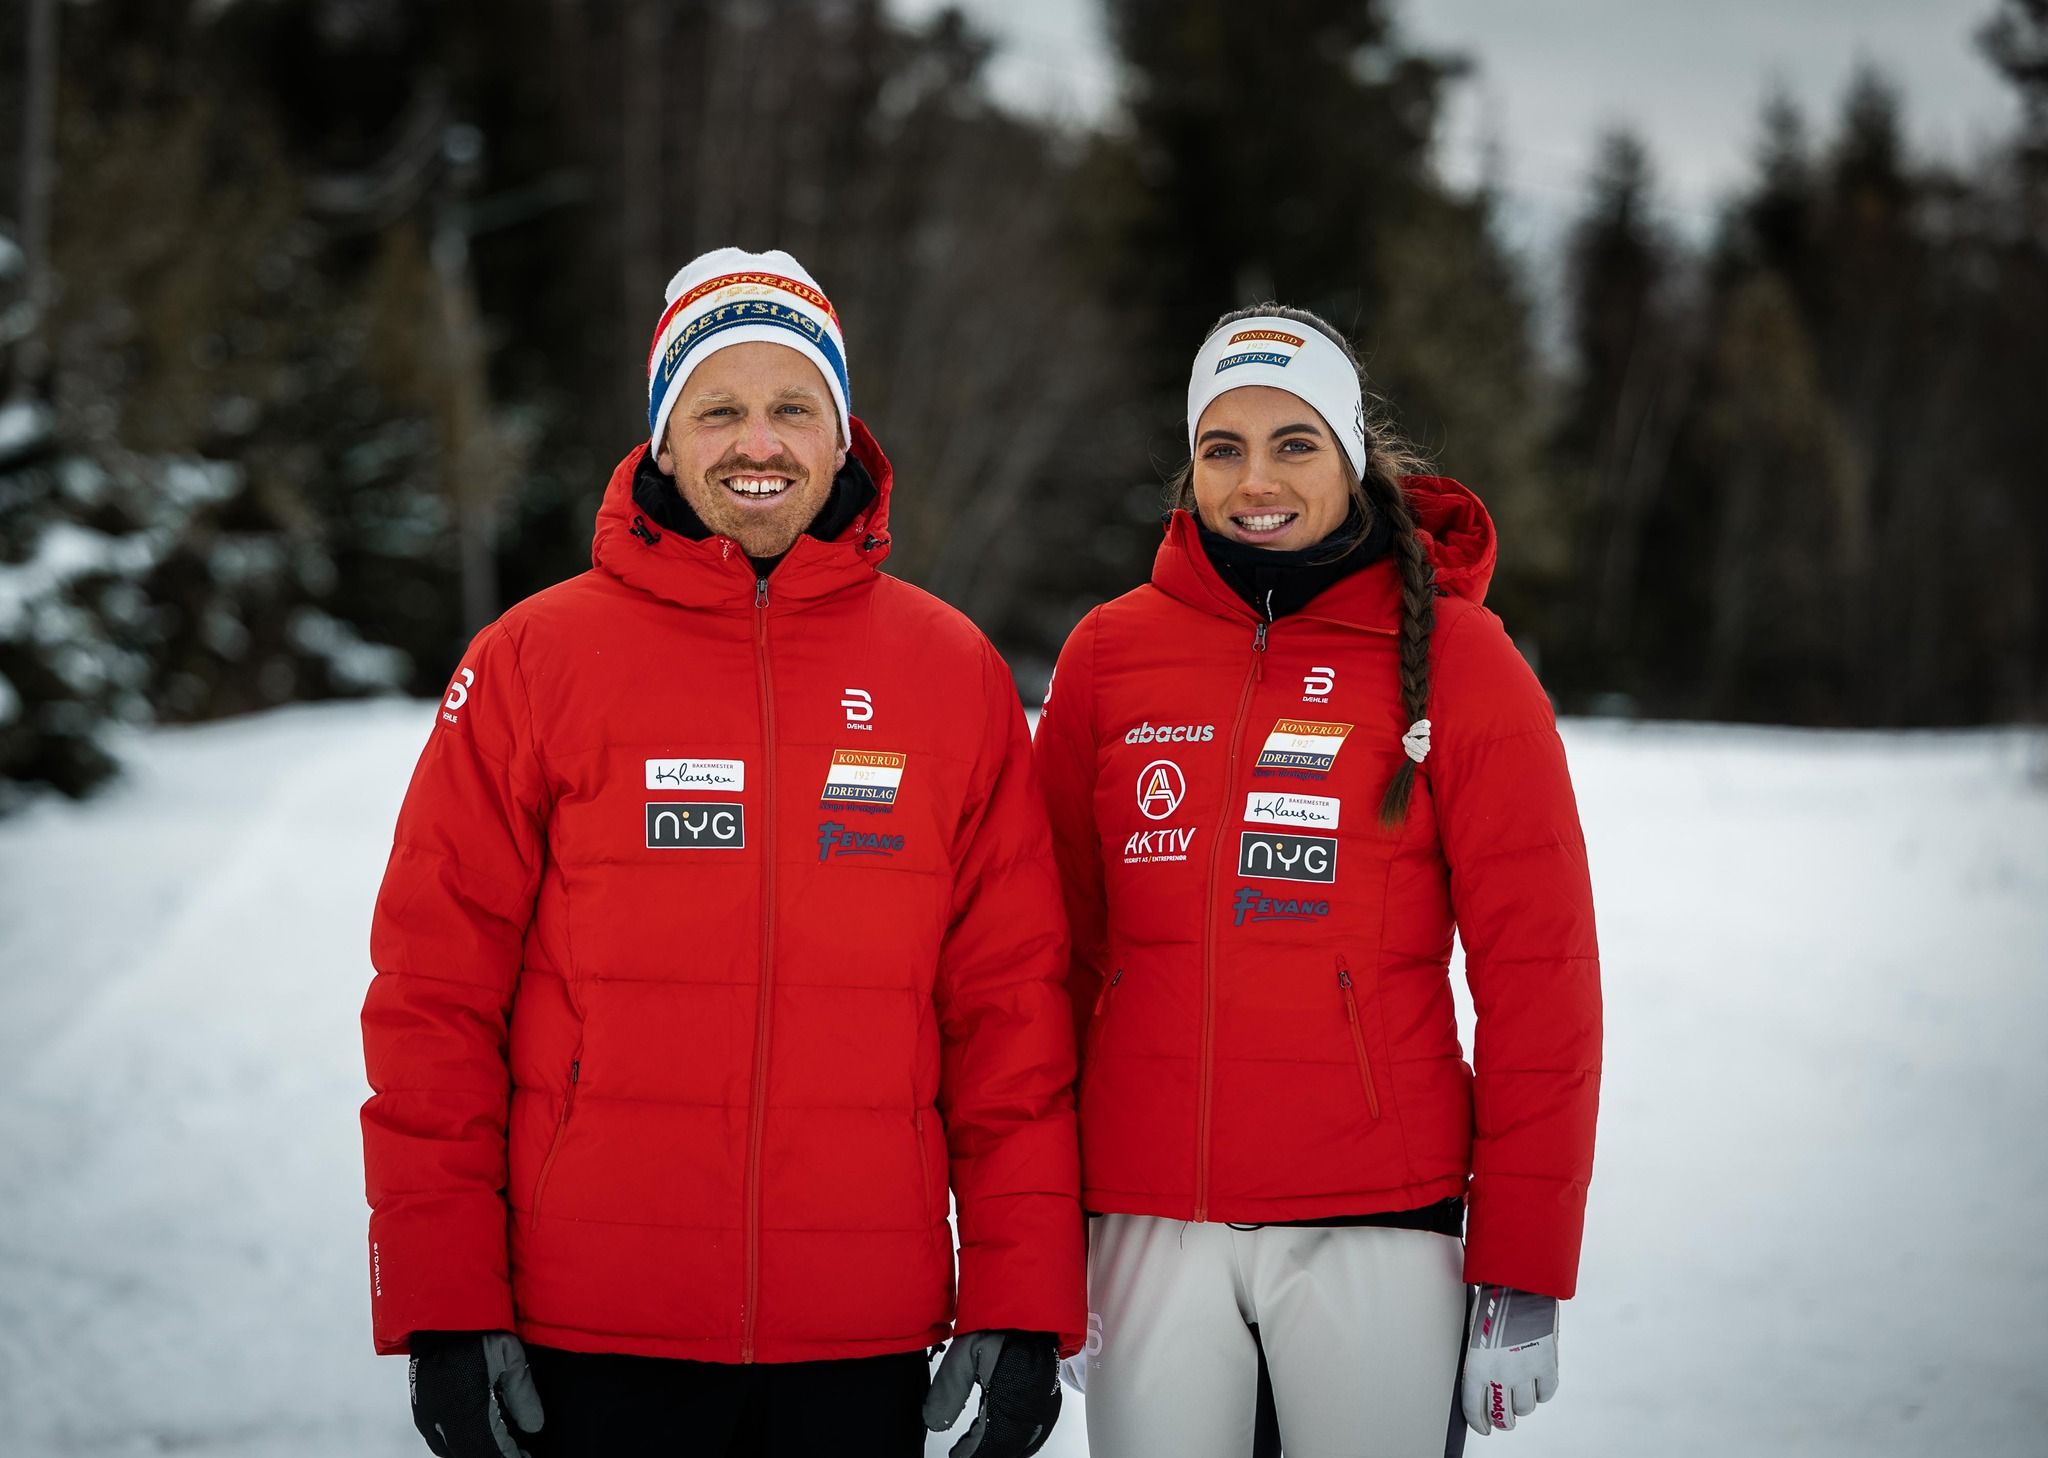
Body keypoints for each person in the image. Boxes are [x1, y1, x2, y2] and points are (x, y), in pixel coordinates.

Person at [362, 247, 1081, 1458]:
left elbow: (1009, 1011)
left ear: (842, 434)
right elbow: (433, 998)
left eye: (793, 407)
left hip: (859, 1343)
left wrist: (1019, 1299)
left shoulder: (949, 672)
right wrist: (441, 1300)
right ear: (661, 437)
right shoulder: (532, 661)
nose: (760, 442)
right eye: (720, 409)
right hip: (588, 1334)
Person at [1033, 305, 1602, 1456]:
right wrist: (1042, 1240)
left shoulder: (1461, 661)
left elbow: (1541, 981)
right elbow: (1047, 965)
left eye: (1292, 442)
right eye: (1221, 446)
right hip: (1147, 1230)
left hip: (1375, 1229)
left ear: (1351, 455)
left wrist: (1523, 1265)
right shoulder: (1107, 656)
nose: (1256, 479)